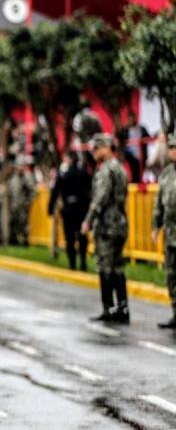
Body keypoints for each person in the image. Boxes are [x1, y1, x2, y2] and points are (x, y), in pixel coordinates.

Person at [83, 134, 130, 324]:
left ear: (105, 148)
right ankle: (123, 307)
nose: (94, 153)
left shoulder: (106, 171)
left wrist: (88, 220)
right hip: (120, 224)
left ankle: (108, 308)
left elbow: (100, 198)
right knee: (118, 266)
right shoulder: (120, 168)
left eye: (96, 149)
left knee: (105, 266)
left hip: (107, 226)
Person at [48, 151, 92, 271]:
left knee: (70, 238)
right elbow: (91, 189)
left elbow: (55, 192)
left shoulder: (63, 175)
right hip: (82, 209)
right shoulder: (83, 173)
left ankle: (72, 263)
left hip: (68, 209)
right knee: (82, 236)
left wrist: (50, 208)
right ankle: (83, 261)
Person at [153, 136, 176, 330]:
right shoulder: (167, 174)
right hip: (170, 234)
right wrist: (155, 226)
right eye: (171, 148)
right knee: (171, 275)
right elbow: (159, 203)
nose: (172, 151)